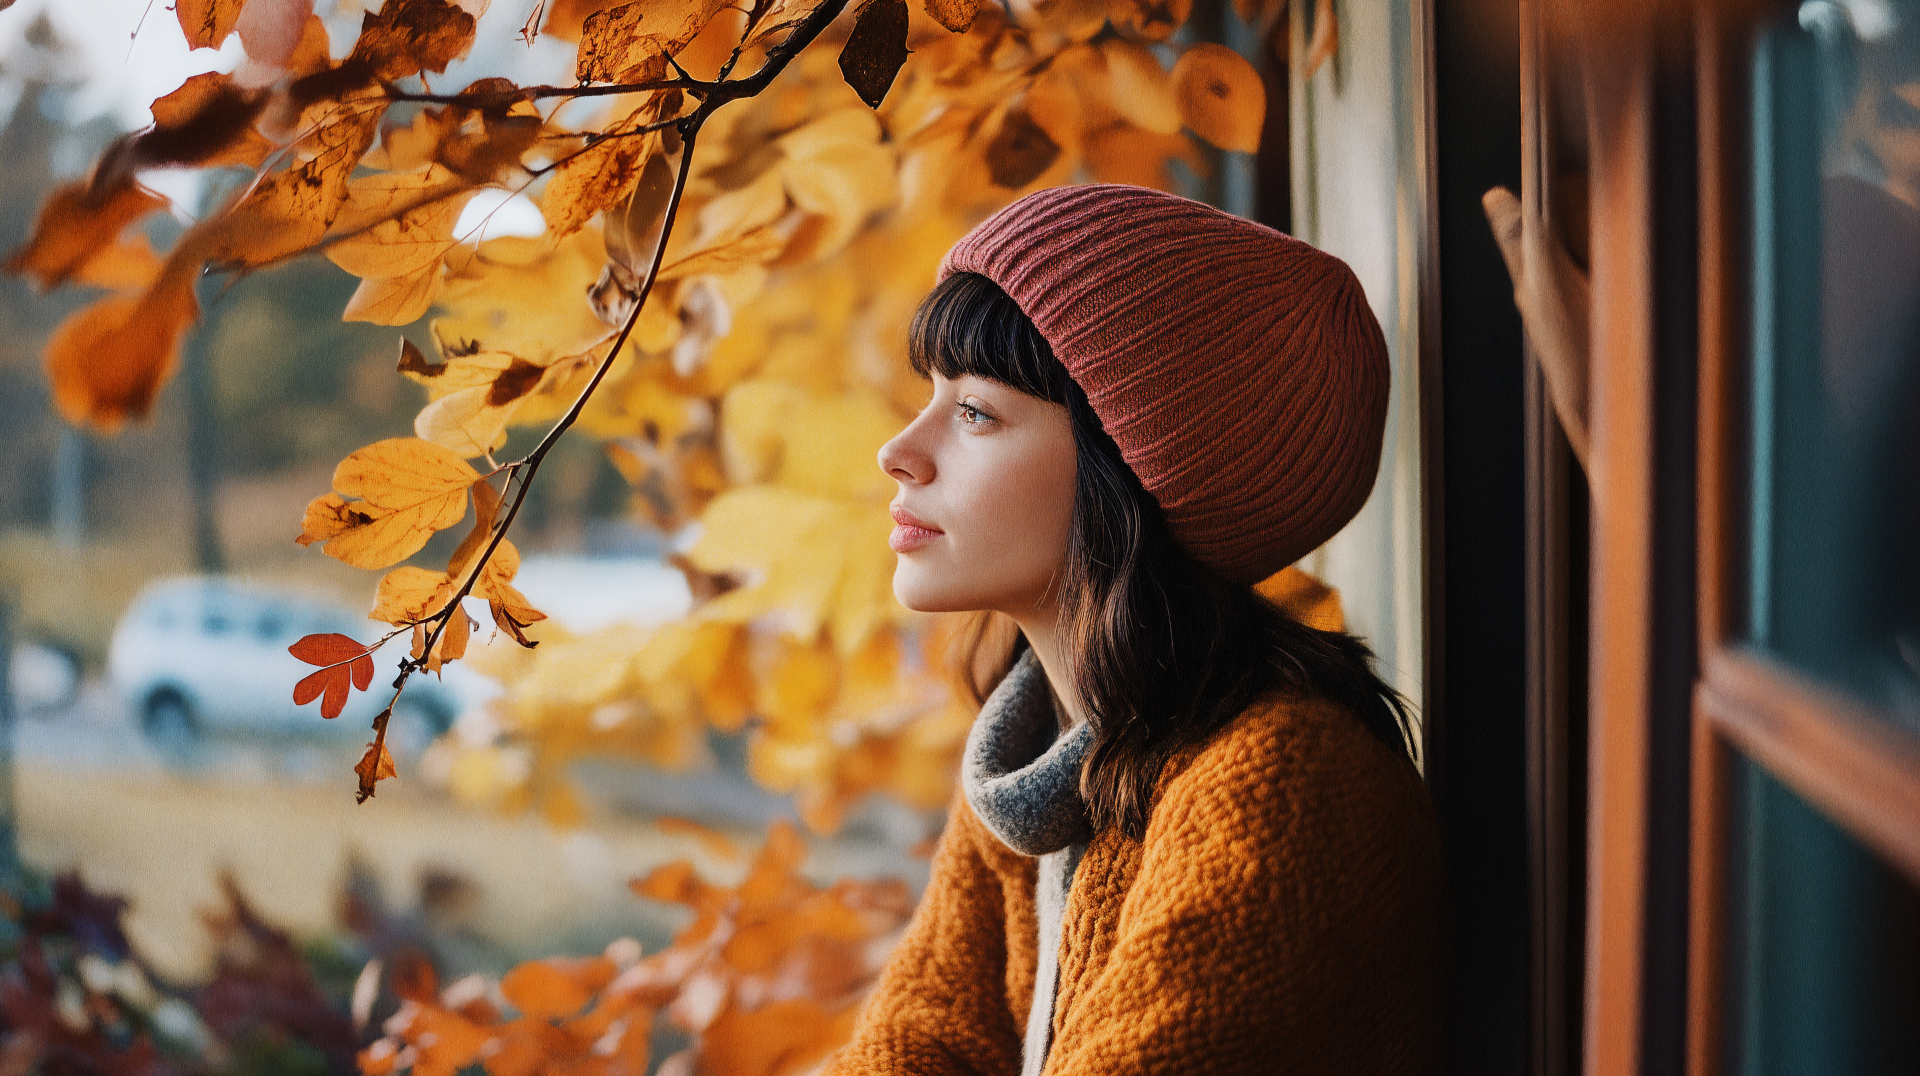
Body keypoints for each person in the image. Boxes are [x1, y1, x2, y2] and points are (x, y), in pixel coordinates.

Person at [827, 184, 1445, 1076]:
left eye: (975, 413)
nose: (900, 449)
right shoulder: (1038, 753)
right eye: (933, 393)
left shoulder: (1279, 789)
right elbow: (927, 1040)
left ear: (1132, 475)